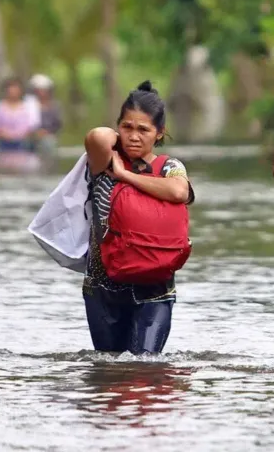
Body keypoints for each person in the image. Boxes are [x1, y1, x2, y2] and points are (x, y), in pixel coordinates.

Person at [82, 81, 195, 355]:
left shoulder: (169, 167)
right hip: (103, 286)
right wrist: (117, 152)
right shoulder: (104, 161)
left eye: (143, 130)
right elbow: (97, 135)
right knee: (109, 371)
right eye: (127, 127)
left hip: (155, 289)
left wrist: (125, 176)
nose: (134, 136)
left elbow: (180, 192)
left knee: (145, 367)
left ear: (160, 134)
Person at [0, 77, 37, 153]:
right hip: (3, 142)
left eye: (16, 88)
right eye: (10, 88)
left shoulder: (28, 107)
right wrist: (4, 134)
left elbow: (33, 126)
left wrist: (18, 135)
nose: (13, 91)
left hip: (23, 143)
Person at [28, 74, 63, 157]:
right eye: (39, 90)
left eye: (44, 90)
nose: (41, 92)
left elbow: (57, 124)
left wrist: (46, 132)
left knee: (49, 143)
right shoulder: (29, 105)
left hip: (48, 136)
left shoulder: (55, 106)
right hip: (29, 136)